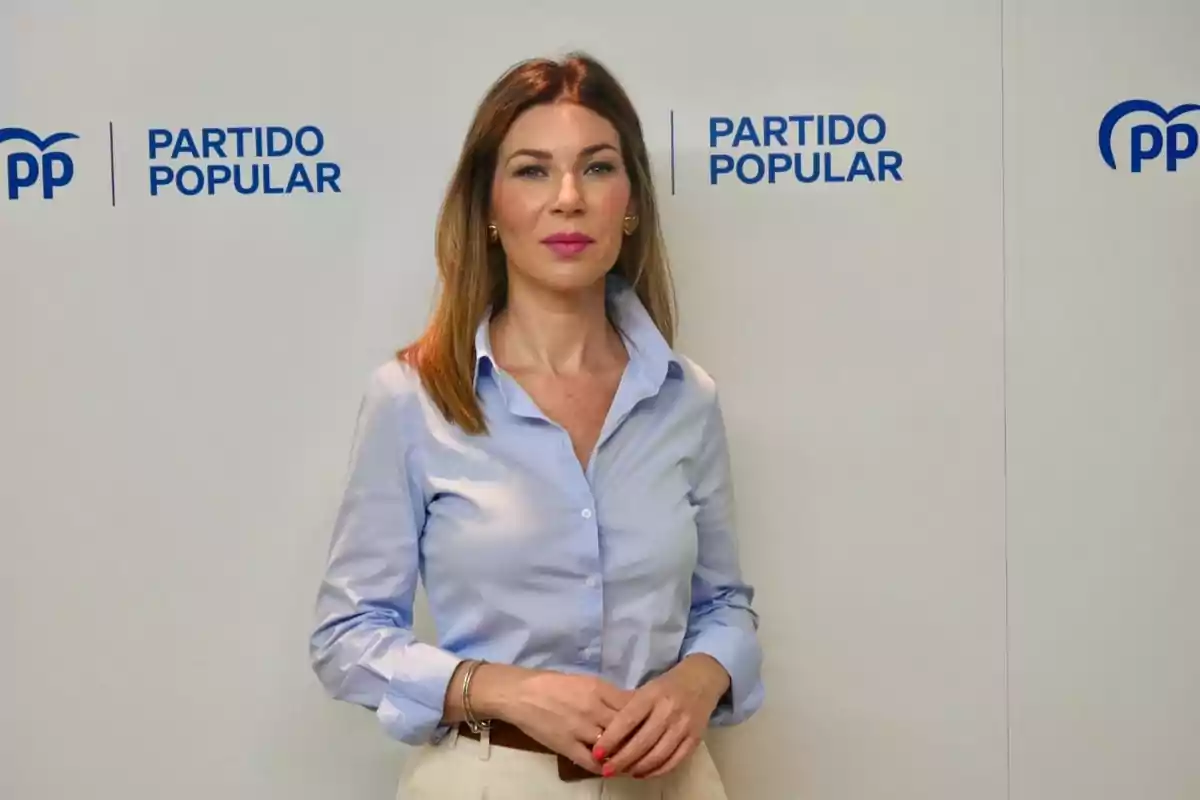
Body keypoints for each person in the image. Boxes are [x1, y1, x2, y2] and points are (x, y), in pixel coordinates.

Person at [309, 51, 763, 798]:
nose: (567, 199)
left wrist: (701, 678)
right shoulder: (413, 398)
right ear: (488, 208)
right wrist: (500, 689)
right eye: (531, 170)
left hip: (673, 784)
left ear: (632, 202)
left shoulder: (686, 399)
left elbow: (723, 606)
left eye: (596, 168)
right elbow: (345, 639)